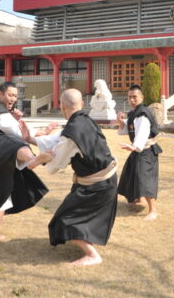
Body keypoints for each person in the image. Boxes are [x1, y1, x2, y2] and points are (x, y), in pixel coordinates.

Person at [0, 81, 55, 244]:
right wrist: (40, 135)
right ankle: (32, 160)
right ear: (0, 95)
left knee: (3, 189)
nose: (13, 99)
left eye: (15, 96)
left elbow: (22, 131)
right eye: (10, 95)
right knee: (16, 143)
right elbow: (19, 133)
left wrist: (44, 132)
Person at [46, 89, 118, 266]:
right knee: (78, 212)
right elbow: (60, 140)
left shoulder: (71, 132)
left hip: (96, 186)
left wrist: (43, 160)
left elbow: (54, 168)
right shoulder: (88, 120)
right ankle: (87, 241)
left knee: (63, 220)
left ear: (62, 107)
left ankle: (92, 255)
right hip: (108, 181)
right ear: (82, 105)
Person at [116, 84, 162, 220]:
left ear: (142, 97)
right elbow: (128, 128)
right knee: (131, 172)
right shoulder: (134, 113)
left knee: (144, 177)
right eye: (129, 97)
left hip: (147, 150)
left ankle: (153, 210)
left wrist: (134, 146)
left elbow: (142, 132)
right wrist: (120, 122)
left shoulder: (142, 114)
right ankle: (138, 198)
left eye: (135, 97)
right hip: (138, 149)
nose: (131, 100)